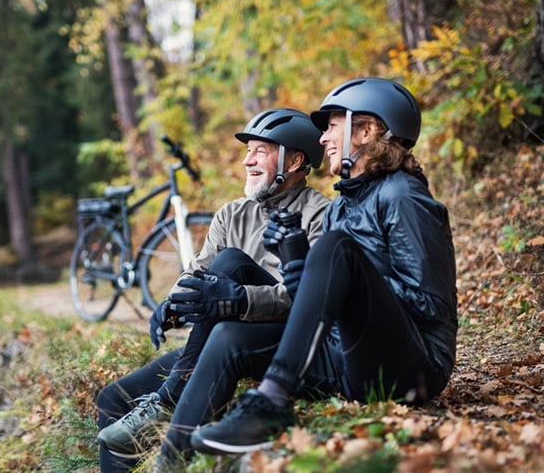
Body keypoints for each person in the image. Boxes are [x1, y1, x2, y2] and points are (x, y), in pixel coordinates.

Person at [187, 77, 458, 455]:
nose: (322, 138)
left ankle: (272, 401)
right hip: (348, 358)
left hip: (414, 368)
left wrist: (350, 273)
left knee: (337, 248)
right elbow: (320, 311)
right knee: (229, 338)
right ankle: (170, 456)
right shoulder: (341, 207)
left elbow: (433, 305)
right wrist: (300, 268)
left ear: (365, 130)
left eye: (332, 126)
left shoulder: (403, 196)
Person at [95, 108, 330, 472]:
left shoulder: (320, 214)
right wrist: (173, 304)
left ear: (296, 160)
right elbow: (198, 271)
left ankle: (167, 400)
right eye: (247, 151)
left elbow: (309, 297)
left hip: (277, 338)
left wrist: (238, 300)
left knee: (231, 263)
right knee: (112, 399)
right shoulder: (231, 214)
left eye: (260, 151)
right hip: (219, 336)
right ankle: (160, 405)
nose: (247, 160)